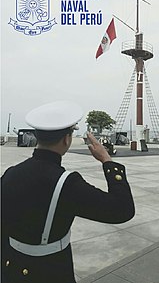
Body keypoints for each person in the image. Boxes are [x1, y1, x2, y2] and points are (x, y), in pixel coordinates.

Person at [1, 100, 135, 283]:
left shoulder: (11, 174)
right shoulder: (67, 183)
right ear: (67, 139)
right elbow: (122, 210)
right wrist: (107, 160)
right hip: (50, 271)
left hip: (11, 268)